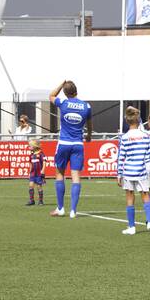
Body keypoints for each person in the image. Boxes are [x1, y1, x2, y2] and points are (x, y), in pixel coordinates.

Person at [48, 80, 92, 218]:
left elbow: (51, 96)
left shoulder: (64, 103)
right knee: (76, 176)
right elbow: (90, 124)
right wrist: (89, 136)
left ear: (66, 93)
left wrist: (61, 84)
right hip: (78, 144)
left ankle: (60, 208)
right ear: (76, 91)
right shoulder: (86, 106)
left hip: (64, 143)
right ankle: (73, 210)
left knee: (60, 173)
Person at [117, 108, 150, 235]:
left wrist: (119, 174)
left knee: (129, 197)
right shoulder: (145, 136)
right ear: (139, 122)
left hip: (128, 172)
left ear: (127, 122)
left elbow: (121, 157)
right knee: (146, 195)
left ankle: (131, 227)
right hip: (141, 171)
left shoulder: (124, 137)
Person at [25, 139, 45, 206]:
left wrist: (43, 170)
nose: (29, 147)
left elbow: (44, 162)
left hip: (39, 174)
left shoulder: (41, 154)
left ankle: (41, 201)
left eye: (30, 146)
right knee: (30, 185)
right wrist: (29, 172)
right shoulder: (31, 155)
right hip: (32, 173)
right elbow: (30, 163)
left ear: (34, 146)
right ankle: (31, 200)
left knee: (39, 186)